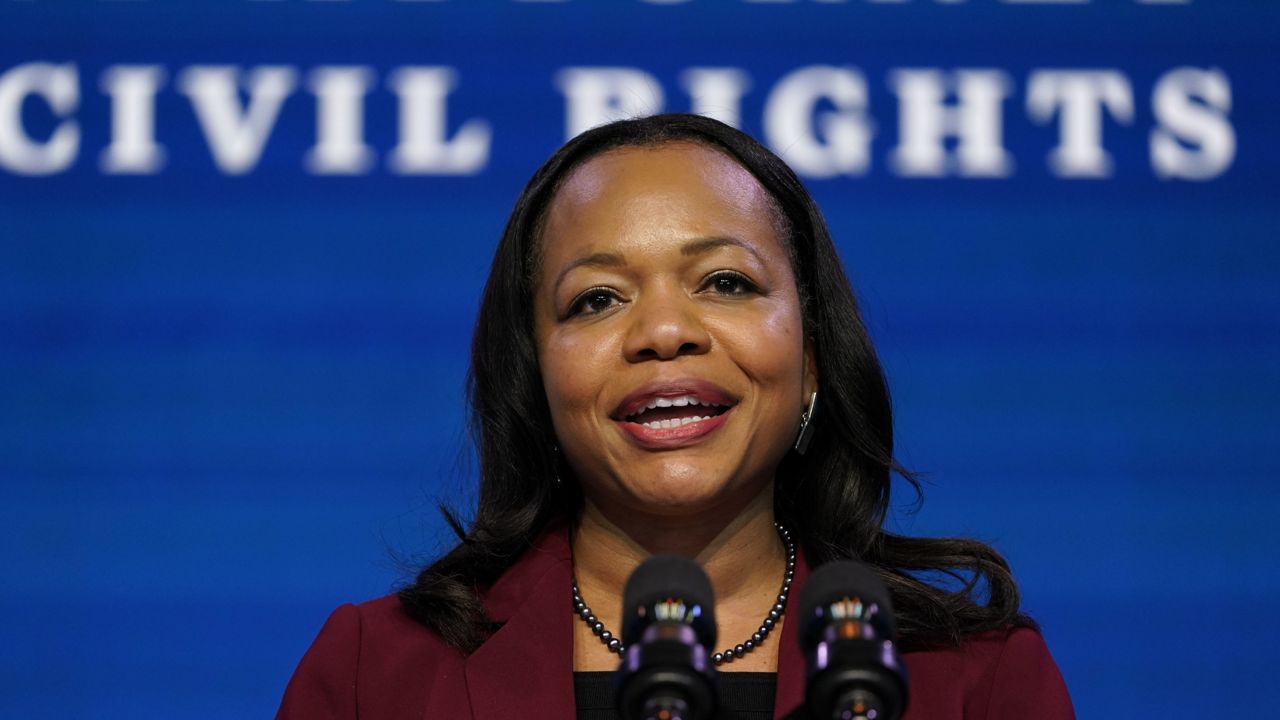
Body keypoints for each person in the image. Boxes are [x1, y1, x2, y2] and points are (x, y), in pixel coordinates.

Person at [276, 113, 1074, 719]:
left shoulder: (978, 681)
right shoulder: (379, 676)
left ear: (813, 362)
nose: (664, 332)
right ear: (537, 377)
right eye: (597, 299)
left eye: (725, 282)